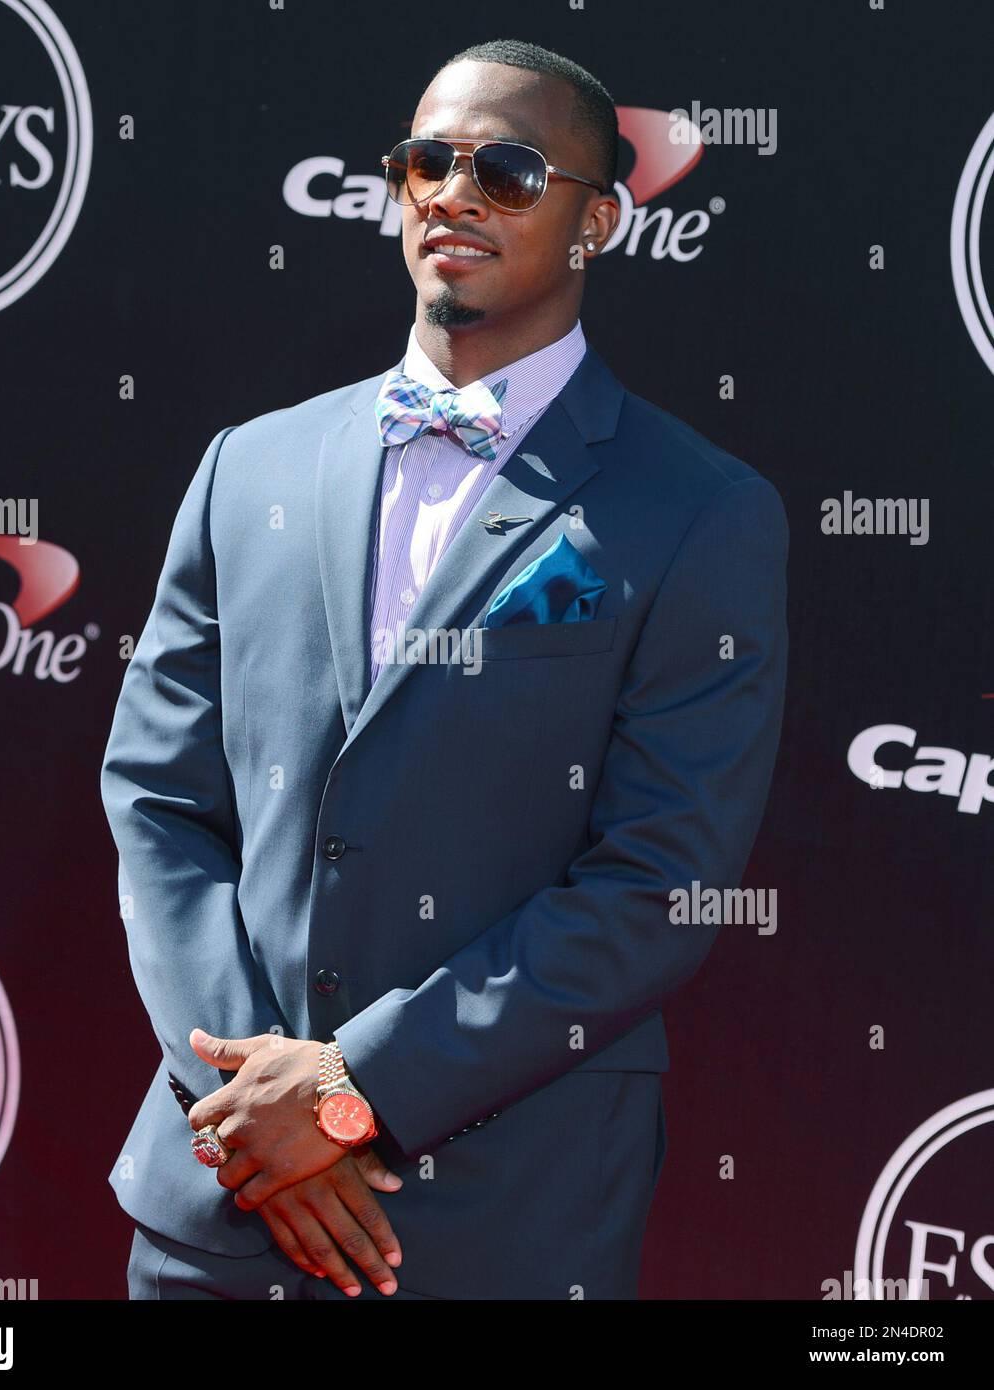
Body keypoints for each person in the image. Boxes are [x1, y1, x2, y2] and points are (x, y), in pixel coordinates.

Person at [100, 36, 788, 1301]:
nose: (453, 193)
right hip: (218, 1205)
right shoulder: (245, 468)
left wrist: (358, 1088)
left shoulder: (699, 511)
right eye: (428, 160)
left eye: (510, 170)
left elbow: (657, 883)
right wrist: (250, 1104)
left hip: (496, 1224)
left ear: (601, 221)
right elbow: (156, 800)